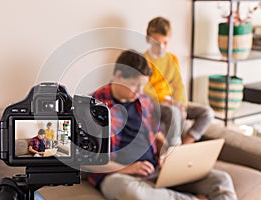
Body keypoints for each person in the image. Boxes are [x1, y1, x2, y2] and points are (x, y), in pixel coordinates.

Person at [87, 50, 237, 199]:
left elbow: (156, 134)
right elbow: (90, 160)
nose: (140, 92)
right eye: (135, 85)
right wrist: (128, 168)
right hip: (120, 175)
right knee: (130, 192)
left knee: (221, 180)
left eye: (143, 86)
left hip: (156, 170)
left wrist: (165, 153)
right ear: (118, 75)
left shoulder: (144, 101)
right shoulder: (93, 106)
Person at [144, 16, 214, 145]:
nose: (161, 47)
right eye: (156, 43)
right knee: (174, 111)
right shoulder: (143, 61)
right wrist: (168, 101)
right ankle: (173, 148)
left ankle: (185, 144)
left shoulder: (172, 59)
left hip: (174, 103)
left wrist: (181, 105)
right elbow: (145, 89)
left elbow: (178, 85)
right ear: (148, 40)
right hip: (156, 104)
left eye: (165, 43)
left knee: (207, 113)